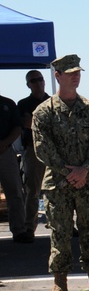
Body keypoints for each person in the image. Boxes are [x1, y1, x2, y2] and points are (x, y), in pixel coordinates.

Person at [31, 55, 89, 291]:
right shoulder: (44, 112)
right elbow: (42, 148)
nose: (76, 76)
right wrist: (70, 172)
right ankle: (59, 284)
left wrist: (84, 170)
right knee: (60, 234)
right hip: (58, 184)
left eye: (78, 72)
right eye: (70, 72)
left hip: (88, 182)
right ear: (58, 76)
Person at [18, 70, 50, 239]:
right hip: (33, 150)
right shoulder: (23, 104)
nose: (38, 83)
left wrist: (35, 124)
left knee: (56, 190)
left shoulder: (52, 101)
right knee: (32, 191)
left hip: (53, 151)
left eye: (40, 79)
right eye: (34, 81)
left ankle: (60, 225)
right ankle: (29, 227)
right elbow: (25, 124)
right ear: (28, 84)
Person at [0, 88, 29, 243]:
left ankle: (19, 230)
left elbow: (18, 127)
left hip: (5, 152)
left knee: (15, 192)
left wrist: (5, 143)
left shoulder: (8, 103)